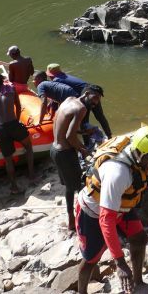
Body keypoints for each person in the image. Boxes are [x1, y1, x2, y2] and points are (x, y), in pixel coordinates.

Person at [76, 127, 148, 293]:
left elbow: (141, 168)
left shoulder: (135, 151)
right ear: (143, 154)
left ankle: (138, 283)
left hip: (121, 206)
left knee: (139, 238)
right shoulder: (117, 174)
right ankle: (82, 292)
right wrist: (120, 263)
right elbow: (106, 220)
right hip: (93, 212)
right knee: (91, 258)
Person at [52, 85, 104, 230]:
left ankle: (72, 218)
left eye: (98, 100)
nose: (96, 103)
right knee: (79, 186)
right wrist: (83, 150)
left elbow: (63, 127)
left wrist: (82, 132)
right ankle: (78, 220)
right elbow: (70, 136)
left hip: (54, 149)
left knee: (69, 187)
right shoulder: (81, 109)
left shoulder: (69, 99)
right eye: (94, 98)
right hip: (65, 153)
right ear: (86, 93)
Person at [0, 72, 37, 194]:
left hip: (1, 128)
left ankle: (14, 187)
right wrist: (17, 120)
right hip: (14, 124)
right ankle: (31, 176)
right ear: (2, 81)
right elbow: (18, 106)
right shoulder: (11, 89)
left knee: (8, 159)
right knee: (28, 147)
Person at [46, 63, 112, 139]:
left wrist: (52, 114)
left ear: (50, 75)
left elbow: (56, 94)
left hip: (86, 93)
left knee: (83, 120)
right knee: (100, 116)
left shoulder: (56, 80)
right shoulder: (64, 76)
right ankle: (109, 136)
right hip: (92, 90)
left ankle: (87, 143)